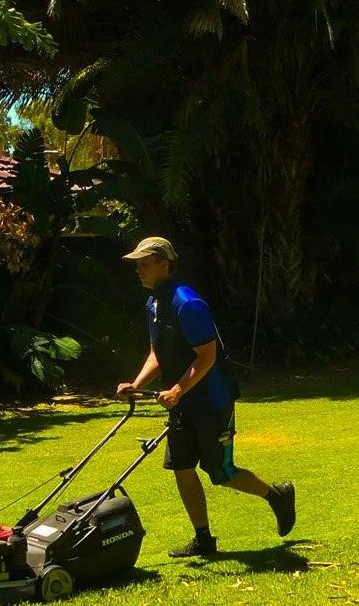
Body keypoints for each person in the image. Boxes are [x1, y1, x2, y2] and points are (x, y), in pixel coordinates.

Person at [115, 236, 296, 558]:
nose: (139, 270)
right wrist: (136, 383)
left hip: (213, 400)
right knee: (182, 467)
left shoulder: (187, 303)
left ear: (164, 264)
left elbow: (207, 356)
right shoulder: (154, 303)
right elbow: (158, 352)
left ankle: (277, 496)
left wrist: (177, 389)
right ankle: (204, 539)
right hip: (181, 401)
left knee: (221, 472)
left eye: (144, 264)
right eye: (137, 264)